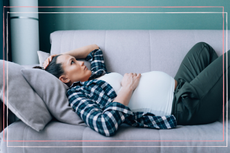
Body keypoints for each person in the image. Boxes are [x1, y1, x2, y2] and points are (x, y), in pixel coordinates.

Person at [41, 42, 229, 137]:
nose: (81, 62)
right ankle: (207, 104)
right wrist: (128, 88)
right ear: (64, 78)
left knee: (202, 48)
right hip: (183, 105)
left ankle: (214, 97)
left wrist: (62, 55)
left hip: (181, 85)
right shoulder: (77, 94)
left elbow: (95, 50)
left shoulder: (96, 74)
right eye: (73, 63)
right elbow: (105, 124)